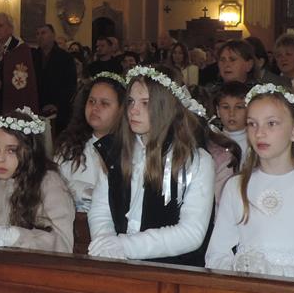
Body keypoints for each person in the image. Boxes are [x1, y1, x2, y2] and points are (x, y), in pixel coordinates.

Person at [205, 84, 294, 282]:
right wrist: (240, 269)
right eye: (252, 124)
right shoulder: (236, 186)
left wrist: (274, 272)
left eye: (271, 124)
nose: (259, 133)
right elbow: (215, 256)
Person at [87, 66, 215, 266]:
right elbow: (100, 209)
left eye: (145, 103)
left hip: (174, 271)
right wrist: (105, 243)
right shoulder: (117, 153)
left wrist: (124, 246)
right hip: (118, 264)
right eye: (131, 101)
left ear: (166, 107)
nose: (133, 110)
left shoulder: (195, 161)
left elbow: (191, 233)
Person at [0, 108, 75, 253]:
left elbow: (63, 244)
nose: (0, 159)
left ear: (29, 150)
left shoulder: (49, 184)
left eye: (11, 150)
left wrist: (13, 236)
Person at [54, 73, 125, 211]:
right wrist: (84, 190)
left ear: (121, 110)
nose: (95, 108)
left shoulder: (131, 149)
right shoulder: (69, 146)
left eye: (104, 103)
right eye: (91, 101)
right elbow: (54, 186)